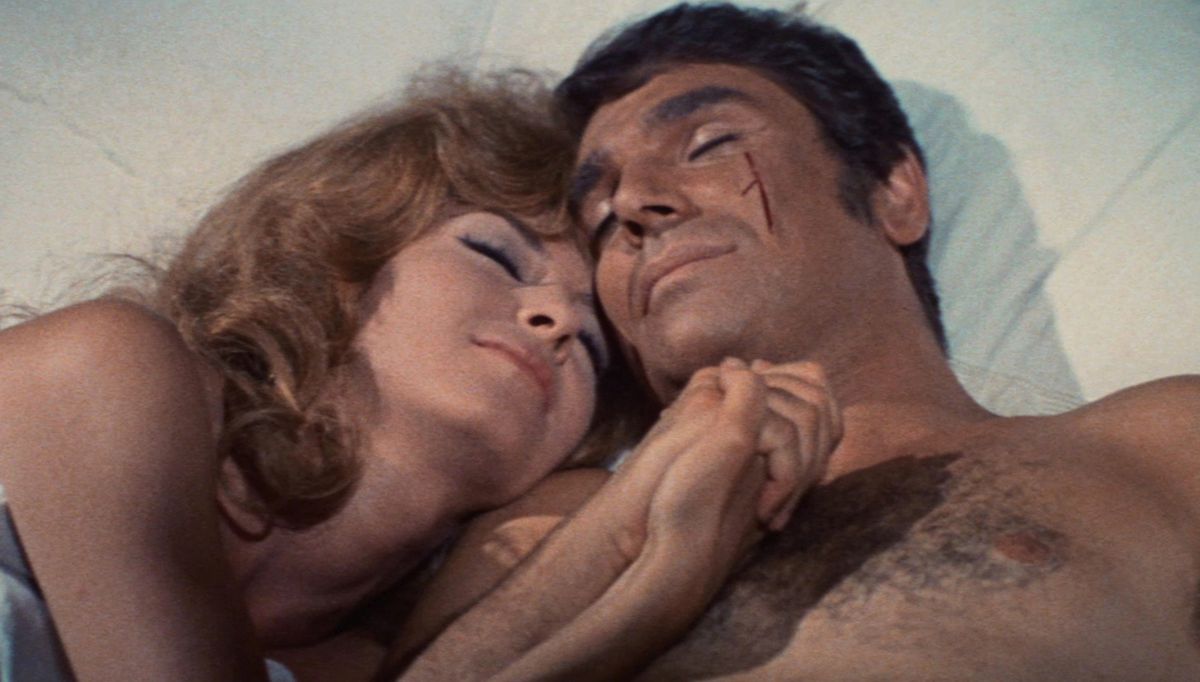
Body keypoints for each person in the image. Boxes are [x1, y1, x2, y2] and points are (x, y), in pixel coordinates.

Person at [383, 3, 1200, 680]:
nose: (632, 202)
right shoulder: (547, 528)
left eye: (708, 145)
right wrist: (640, 540)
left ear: (895, 192)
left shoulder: (1157, 448)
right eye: (599, 215)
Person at [1, 66, 828, 681]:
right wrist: (652, 588)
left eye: (594, 344)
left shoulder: (369, 664)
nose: (556, 318)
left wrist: (648, 562)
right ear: (337, 261)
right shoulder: (109, 369)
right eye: (495, 254)